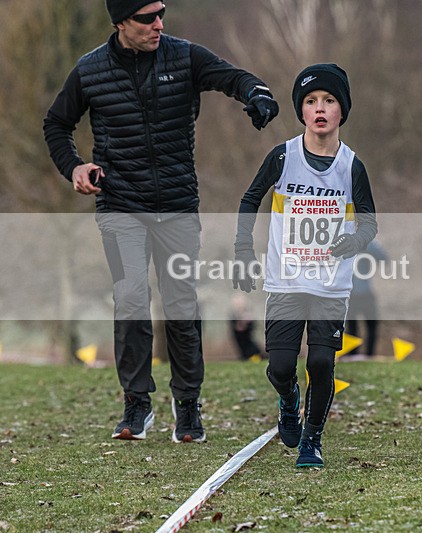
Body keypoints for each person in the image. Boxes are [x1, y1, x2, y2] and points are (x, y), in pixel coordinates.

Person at [43, 0, 279, 443]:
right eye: (147, 17)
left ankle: (187, 404)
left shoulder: (183, 56)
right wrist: (74, 167)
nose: (158, 24)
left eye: (161, 13)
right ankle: (136, 404)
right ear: (121, 23)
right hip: (120, 206)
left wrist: (258, 95)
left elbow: (234, 78)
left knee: (180, 302)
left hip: (176, 205)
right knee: (131, 297)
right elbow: (56, 124)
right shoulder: (90, 70)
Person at [233, 64, 377, 467]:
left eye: (329, 101)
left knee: (319, 361)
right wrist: (244, 250)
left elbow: (369, 222)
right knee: (280, 367)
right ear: (301, 111)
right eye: (311, 101)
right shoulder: (283, 156)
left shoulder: (352, 166)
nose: (320, 108)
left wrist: (354, 241)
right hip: (285, 280)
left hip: (330, 285)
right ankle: (287, 399)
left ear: (341, 111)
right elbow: (249, 200)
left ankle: (312, 439)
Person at [345, 240, 388, 357]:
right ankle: (368, 355)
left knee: (353, 327)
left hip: (351, 293)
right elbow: (384, 258)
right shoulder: (367, 242)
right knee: (370, 327)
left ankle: (354, 354)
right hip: (362, 293)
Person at [230, 294, 264, 362]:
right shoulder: (233, 316)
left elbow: (252, 328)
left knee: (254, 357)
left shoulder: (248, 315)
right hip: (242, 347)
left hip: (251, 349)